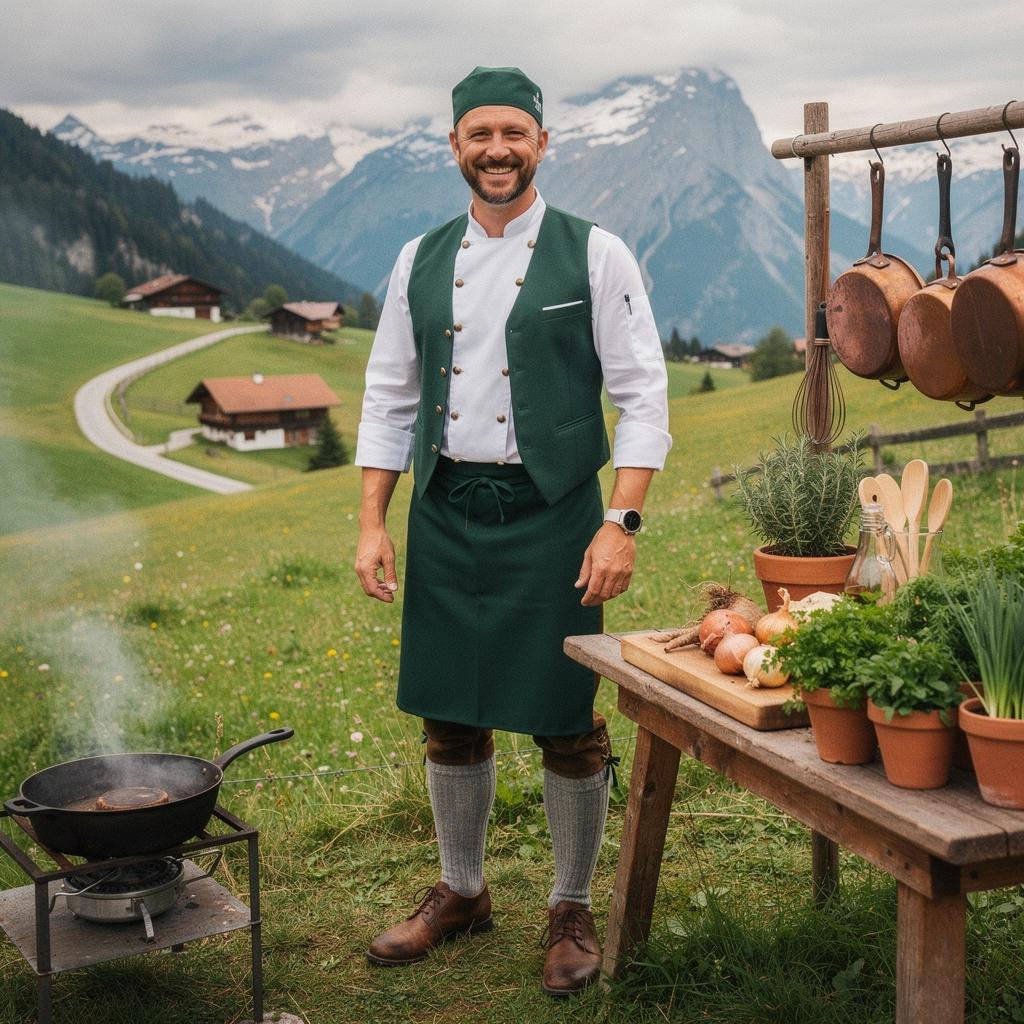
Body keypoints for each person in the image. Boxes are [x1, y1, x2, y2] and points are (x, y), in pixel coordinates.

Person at [353, 65, 671, 996]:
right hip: (446, 510)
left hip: (555, 516)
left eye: (514, 134)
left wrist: (622, 523)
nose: (497, 150)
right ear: (454, 145)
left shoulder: (597, 252)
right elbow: (388, 396)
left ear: (542, 143)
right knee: (449, 712)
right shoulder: (419, 258)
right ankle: (462, 892)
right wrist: (374, 521)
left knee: (566, 721)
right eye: (479, 134)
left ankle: (569, 906)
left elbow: (644, 398)